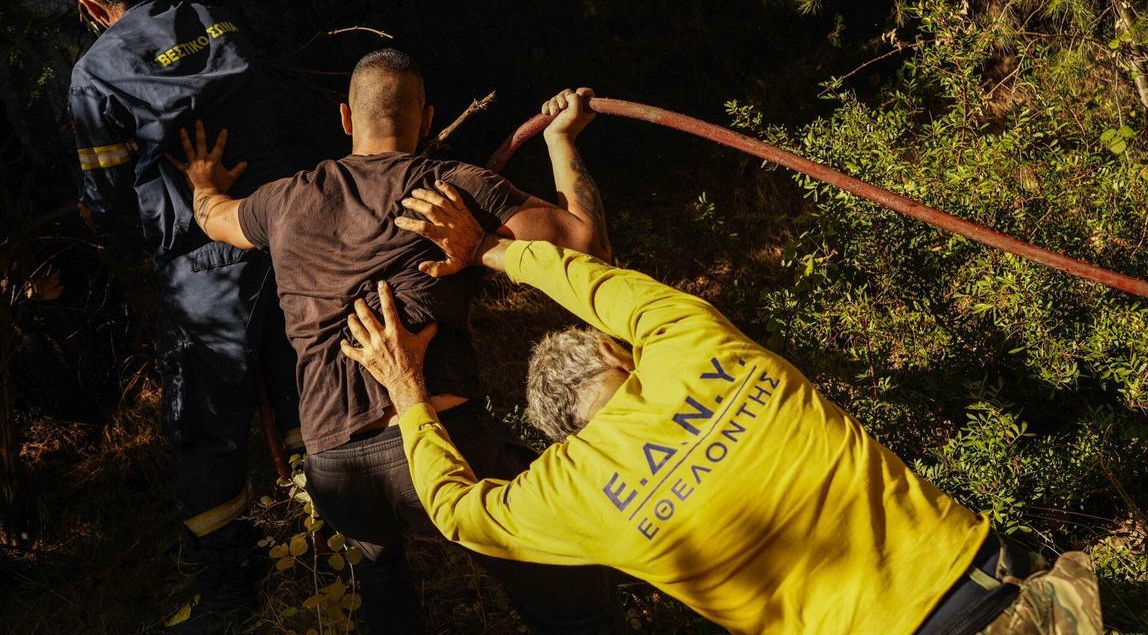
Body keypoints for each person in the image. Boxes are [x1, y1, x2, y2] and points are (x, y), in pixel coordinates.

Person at [337, 185, 1105, 635]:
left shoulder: (565, 495)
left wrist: (408, 392)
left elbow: (457, 512)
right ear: (616, 354)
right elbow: (596, 279)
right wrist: (491, 251)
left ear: (559, 431)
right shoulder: (688, 343)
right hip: (1004, 596)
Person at [170, 48, 621, 634]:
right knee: (568, 582)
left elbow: (215, 218)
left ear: (345, 119)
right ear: (427, 119)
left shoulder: (283, 202)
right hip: (442, 444)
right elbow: (589, 251)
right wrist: (561, 141)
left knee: (381, 577)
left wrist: (202, 181)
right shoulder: (450, 186)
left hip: (333, 469)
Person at [64, 0, 302, 634]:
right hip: (286, 231)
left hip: (202, 264)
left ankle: (231, 590)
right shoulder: (210, 16)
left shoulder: (95, 72)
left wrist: (123, 233)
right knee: (305, 387)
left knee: (203, 424)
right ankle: (340, 546)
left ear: (88, 5)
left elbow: (106, 193)